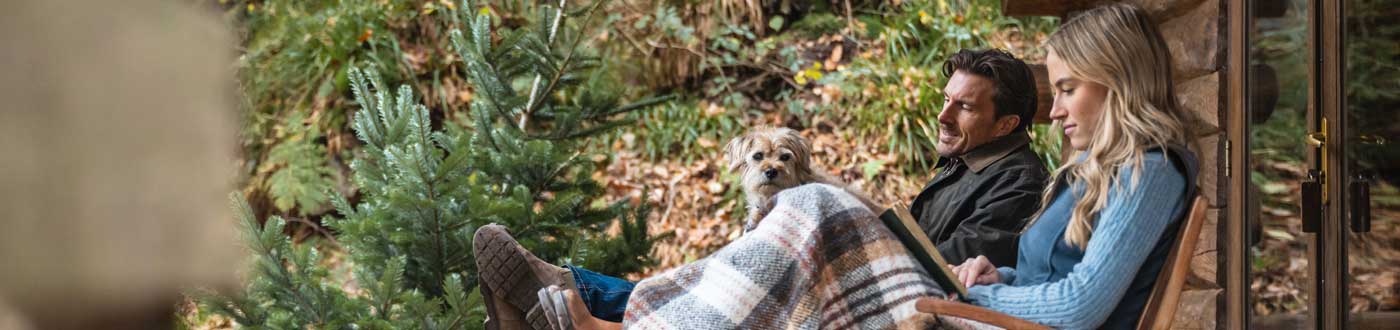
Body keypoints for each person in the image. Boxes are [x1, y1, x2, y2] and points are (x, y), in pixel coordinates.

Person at [474, 48, 1051, 330]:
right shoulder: (967, 164)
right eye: (945, 99)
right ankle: (567, 290)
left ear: (1007, 125)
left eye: (964, 106)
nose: (943, 115)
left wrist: (850, 222)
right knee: (737, 266)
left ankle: (588, 306)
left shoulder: (1016, 179)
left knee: (802, 213)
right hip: (886, 287)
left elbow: (952, 262)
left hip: (913, 306)